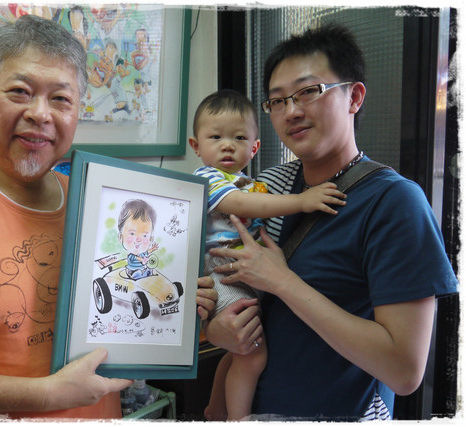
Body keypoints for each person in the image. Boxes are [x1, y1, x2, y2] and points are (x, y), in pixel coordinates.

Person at [0, 14, 218, 421]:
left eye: (61, 99)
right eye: (20, 91)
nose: (40, 114)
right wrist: (46, 395)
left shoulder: (97, 205)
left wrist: (183, 314)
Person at [203, 24, 458, 420]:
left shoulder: (393, 203)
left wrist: (283, 282)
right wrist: (214, 329)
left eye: (309, 91)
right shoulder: (267, 188)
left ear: (354, 97)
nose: (292, 111)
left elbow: (405, 372)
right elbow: (224, 278)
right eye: (277, 101)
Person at [189, 89, 346, 421]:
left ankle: (215, 410)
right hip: (222, 268)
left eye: (239, 137)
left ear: (254, 147)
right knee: (252, 356)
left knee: (238, 352)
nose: (227, 145)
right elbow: (240, 205)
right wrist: (302, 201)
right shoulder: (207, 178)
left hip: (246, 268)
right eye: (216, 137)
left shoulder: (249, 181)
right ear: (196, 146)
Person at [117, 199, 160, 280]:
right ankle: (137, 275)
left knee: (149, 270)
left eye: (144, 236)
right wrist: (142, 260)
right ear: (120, 237)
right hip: (132, 271)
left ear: (150, 239)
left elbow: (147, 252)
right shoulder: (131, 256)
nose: (138, 240)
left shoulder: (143, 253)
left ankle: (145, 273)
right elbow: (136, 258)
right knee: (137, 273)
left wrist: (153, 249)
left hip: (142, 269)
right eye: (132, 234)